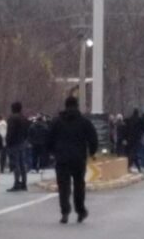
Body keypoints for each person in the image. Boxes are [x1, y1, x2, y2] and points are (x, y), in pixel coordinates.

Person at [47, 96, 98, 224]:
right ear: (77, 106)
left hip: (62, 158)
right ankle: (80, 210)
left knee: (63, 186)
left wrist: (52, 152)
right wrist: (92, 152)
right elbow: (93, 138)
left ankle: (65, 211)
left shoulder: (57, 122)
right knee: (79, 185)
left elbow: (49, 138)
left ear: (65, 106)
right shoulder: (84, 122)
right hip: (78, 159)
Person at [6, 102, 31, 192]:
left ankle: (16, 182)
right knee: (22, 163)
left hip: (14, 143)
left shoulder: (12, 118)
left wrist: (8, 142)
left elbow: (10, 132)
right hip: (22, 142)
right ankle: (24, 183)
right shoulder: (24, 118)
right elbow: (28, 131)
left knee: (16, 164)